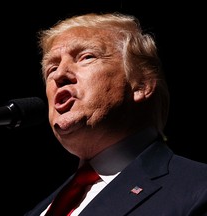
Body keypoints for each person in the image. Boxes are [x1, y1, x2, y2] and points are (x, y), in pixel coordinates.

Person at [24, 12, 207, 216]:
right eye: (52, 68)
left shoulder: (198, 189)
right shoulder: (37, 211)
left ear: (141, 85)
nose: (59, 75)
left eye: (86, 57)